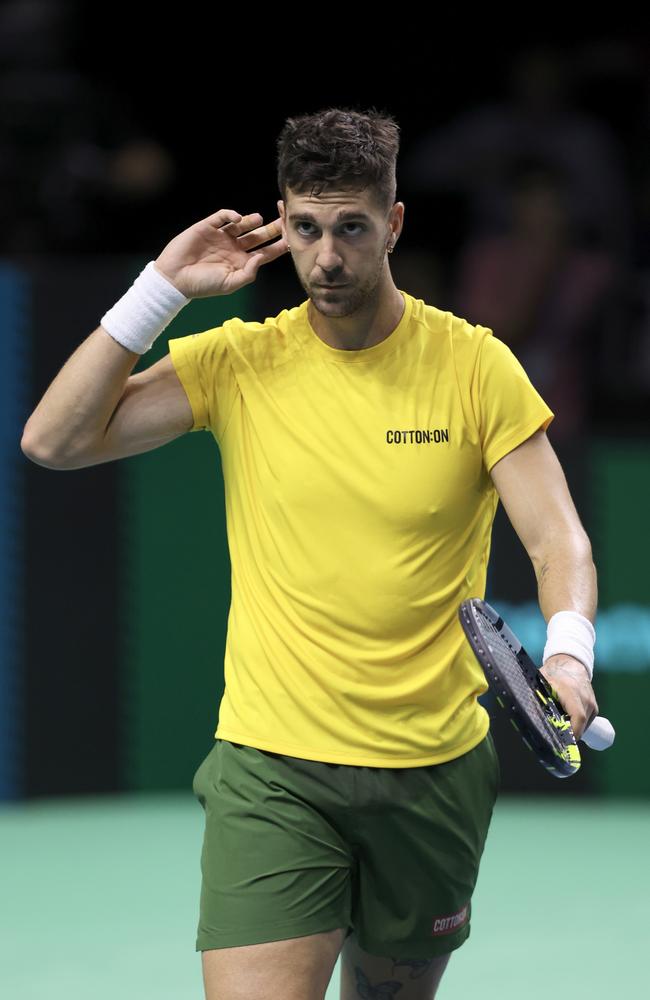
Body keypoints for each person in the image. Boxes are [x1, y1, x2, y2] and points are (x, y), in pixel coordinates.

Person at [21, 106, 599, 1000]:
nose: (325, 257)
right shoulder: (240, 361)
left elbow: (556, 537)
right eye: (304, 228)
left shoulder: (476, 366)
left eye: (351, 229)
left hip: (432, 773)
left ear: (394, 224)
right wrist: (160, 289)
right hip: (273, 768)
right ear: (282, 221)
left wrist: (568, 652)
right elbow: (53, 441)